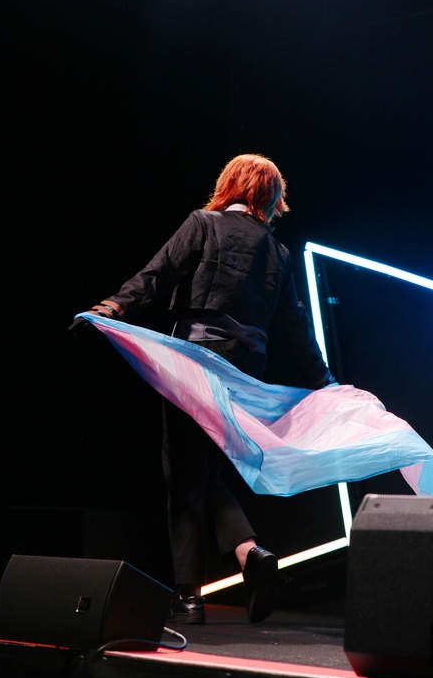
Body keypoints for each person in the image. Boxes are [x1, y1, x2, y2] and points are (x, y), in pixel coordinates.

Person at [70, 153, 336, 626]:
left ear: (231, 184)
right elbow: (295, 329)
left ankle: (190, 598)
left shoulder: (204, 224)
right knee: (207, 473)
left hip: (198, 360)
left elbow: (157, 274)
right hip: (244, 371)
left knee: (184, 474)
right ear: (269, 198)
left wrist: (110, 308)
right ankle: (250, 553)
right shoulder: (278, 253)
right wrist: (325, 382)